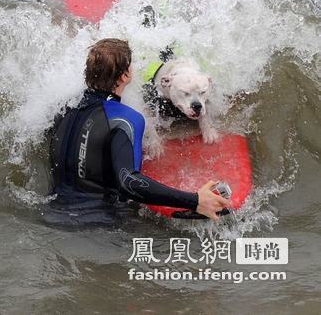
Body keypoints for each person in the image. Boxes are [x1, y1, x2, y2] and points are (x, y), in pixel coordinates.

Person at [50, 38, 229, 221]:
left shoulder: (64, 109)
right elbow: (129, 182)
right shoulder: (125, 119)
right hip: (99, 220)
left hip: (53, 212)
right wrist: (195, 201)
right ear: (125, 76)